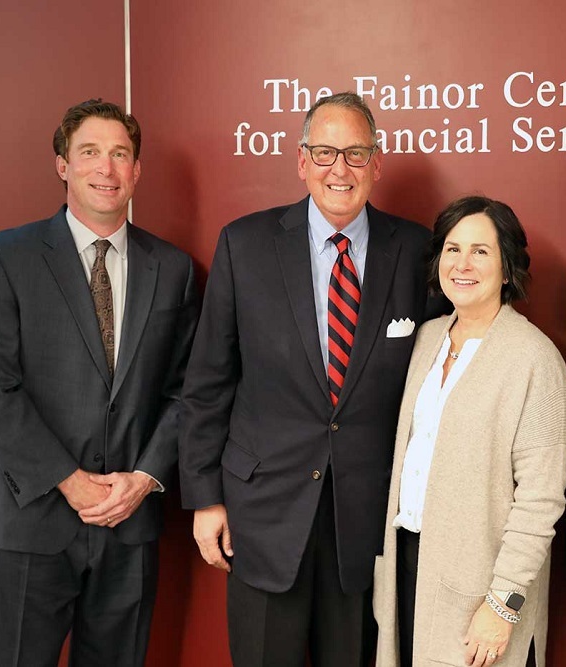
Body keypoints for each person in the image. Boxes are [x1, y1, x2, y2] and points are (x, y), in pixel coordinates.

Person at [179, 92, 439, 667]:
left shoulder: (419, 251)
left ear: (377, 164)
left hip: (367, 518)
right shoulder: (244, 245)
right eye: (324, 152)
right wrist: (205, 498)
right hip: (261, 510)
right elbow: (207, 383)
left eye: (354, 153)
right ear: (301, 161)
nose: (339, 169)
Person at [0, 99, 199, 666]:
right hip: (32, 521)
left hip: (130, 521)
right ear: (63, 165)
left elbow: (188, 390)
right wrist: (69, 480)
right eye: (90, 152)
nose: (106, 168)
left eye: (120, 154)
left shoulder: (174, 269)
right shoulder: (5, 257)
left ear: (137, 170)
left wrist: (143, 479)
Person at [374, 196, 566, 667]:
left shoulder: (534, 359)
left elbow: (541, 499)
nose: (462, 263)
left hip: (482, 588)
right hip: (410, 570)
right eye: (452, 248)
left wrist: (503, 604)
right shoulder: (426, 340)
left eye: (481, 251)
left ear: (507, 269)